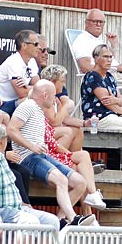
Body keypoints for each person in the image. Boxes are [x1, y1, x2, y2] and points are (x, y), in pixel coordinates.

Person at [10, 80, 92, 224]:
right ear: (45, 95)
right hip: (27, 157)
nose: (55, 99)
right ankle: (73, 218)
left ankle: (61, 220)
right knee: (61, 180)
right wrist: (31, 146)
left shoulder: (40, 112)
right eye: (54, 95)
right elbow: (11, 129)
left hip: (42, 155)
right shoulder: (28, 106)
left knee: (80, 182)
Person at [0, 121, 56, 226]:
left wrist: (21, 203)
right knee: (30, 222)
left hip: (11, 209)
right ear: (2, 141)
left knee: (51, 221)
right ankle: (18, 243)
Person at [41, 67, 105, 207]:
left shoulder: (55, 100)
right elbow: (55, 121)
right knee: (68, 132)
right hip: (45, 144)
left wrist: (84, 122)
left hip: (55, 140)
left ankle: (89, 204)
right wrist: (66, 104)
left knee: (77, 131)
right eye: (62, 82)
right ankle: (69, 162)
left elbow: (66, 119)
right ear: (52, 82)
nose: (63, 86)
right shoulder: (44, 98)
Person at [0, 30, 45, 116]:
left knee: (47, 99)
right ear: (24, 45)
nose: (39, 47)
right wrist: (34, 89)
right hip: (0, 104)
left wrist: (27, 86)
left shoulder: (32, 61)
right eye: (36, 44)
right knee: (32, 100)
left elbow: (40, 86)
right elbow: (22, 93)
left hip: (15, 103)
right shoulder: (13, 62)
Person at [80, 46, 122, 132]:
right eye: (105, 56)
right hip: (98, 119)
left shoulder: (110, 77)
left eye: (111, 57)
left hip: (112, 117)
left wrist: (116, 100)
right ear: (96, 58)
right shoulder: (92, 76)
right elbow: (107, 102)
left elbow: (121, 101)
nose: (109, 60)